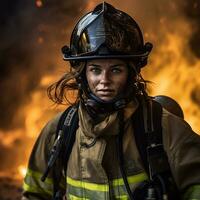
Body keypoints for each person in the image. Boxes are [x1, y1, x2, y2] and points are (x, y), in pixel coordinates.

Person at [22, 2, 200, 200]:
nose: (104, 80)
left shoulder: (162, 127)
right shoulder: (60, 130)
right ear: (83, 74)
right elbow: (36, 193)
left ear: (131, 74)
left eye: (116, 70)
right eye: (95, 70)